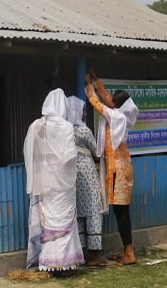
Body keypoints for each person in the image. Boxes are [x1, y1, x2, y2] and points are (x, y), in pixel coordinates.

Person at [24, 88, 85, 273]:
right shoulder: (66, 127)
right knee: (64, 218)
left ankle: (49, 263)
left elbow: (30, 153)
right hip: (63, 183)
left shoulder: (36, 126)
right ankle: (66, 264)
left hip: (44, 182)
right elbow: (69, 155)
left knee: (49, 220)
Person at [83, 67, 139, 265]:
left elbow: (97, 103)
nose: (110, 101)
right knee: (121, 213)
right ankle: (127, 251)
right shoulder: (122, 114)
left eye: (114, 101)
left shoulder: (116, 117)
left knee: (121, 214)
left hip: (118, 171)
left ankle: (129, 253)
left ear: (118, 105)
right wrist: (97, 79)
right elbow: (107, 99)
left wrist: (89, 85)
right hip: (122, 168)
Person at [66, 95, 105, 267]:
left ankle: (81, 253)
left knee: (79, 213)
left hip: (71, 175)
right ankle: (94, 256)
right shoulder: (84, 131)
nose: (86, 114)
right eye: (83, 111)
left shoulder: (65, 131)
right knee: (93, 210)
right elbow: (97, 152)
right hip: (87, 174)